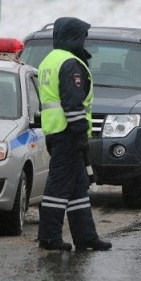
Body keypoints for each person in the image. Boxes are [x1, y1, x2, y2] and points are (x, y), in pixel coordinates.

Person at [37, 17, 112, 251]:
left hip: (56, 131)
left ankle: (85, 237)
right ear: (73, 37)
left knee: (78, 187)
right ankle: (49, 237)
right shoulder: (70, 63)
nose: (85, 43)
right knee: (58, 187)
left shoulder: (50, 59)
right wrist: (80, 135)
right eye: (82, 38)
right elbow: (73, 102)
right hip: (67, 132)